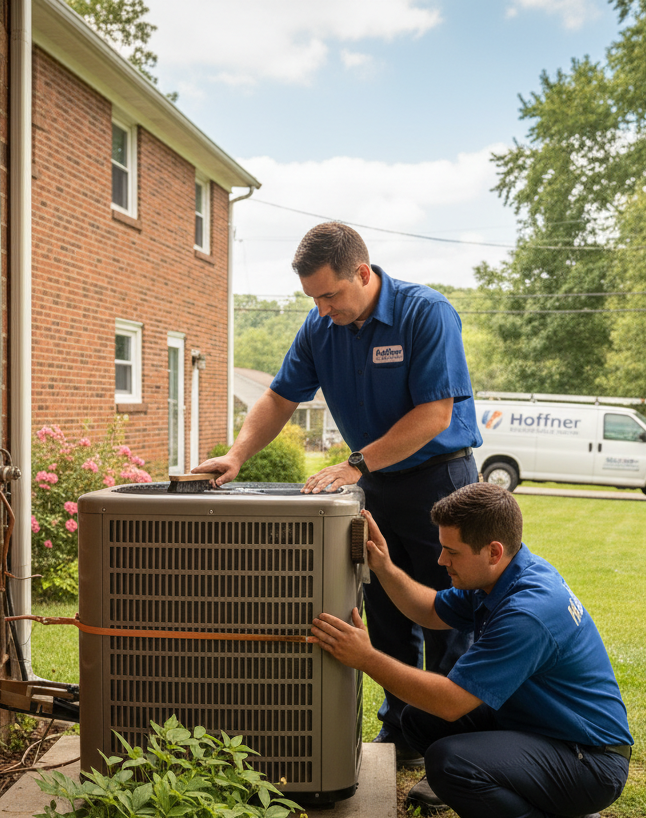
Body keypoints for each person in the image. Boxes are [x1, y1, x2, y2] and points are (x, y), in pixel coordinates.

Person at [194, 222, 482, 767]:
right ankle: (402, 734)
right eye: (313, 298)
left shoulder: (426, 314)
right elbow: (280, 398)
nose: (322, 309)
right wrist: (236, 455)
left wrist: (356, 463)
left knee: (451, 616)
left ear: (363, 273)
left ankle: (453, 748)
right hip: (375, 486)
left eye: (329, 294)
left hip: (440, 482)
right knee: (387, 610)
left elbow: (435, 414)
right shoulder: (319, 327)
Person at [309, 482, 633, 818]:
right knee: (418, 720)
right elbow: (429, 610)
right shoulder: (503, 578)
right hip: (548, 732)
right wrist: (385, 567)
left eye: (452, 551)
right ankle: (560, 812)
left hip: (590, 761)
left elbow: (452, 701)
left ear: (493, 551)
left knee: (451, 762)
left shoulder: (527, 613)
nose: (441, 559)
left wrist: (366, 657)